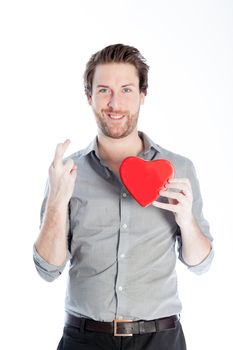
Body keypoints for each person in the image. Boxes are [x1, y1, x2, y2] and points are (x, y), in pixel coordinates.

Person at [33, 44, 214, 350]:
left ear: (143, 94)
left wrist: (186, 220)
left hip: (161, 340)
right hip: (84, 339)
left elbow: (201, 264)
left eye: (126, 90)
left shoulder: (179, 169)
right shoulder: (66, 173)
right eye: (104, 90)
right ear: (89, 96)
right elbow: (48, 269)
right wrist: (56, 202)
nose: (115, 103)